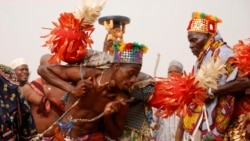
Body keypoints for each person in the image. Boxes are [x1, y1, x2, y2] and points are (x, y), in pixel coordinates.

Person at [37, 42, 148, 140]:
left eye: (136, 75)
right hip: (62, 137)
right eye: (131, 73)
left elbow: (116, 134)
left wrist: (107, 115)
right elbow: (43, 70)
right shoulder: (87, 75)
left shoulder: (120, 100)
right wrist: (73, 89)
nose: (134, 79)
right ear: (117, 67)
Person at [175, 11, 250, 140]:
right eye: (189, 41)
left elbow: (245, 81)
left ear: (209, 37)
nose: (190, 45)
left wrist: (212, 91)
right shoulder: (200, 63)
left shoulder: (225, 55)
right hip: (224, 127)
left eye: (194, 40)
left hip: (240, 124)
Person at [21, 54, 66, 139]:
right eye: (48, 68)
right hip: (34, 138)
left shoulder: (66, 89)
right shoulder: (28, 89)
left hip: (59, 138)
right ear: (39, 69)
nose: (52, 71)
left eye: (55, 67)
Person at [0, 64, 37, 140]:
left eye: (26, 70)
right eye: (22, 70)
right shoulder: (7, 72)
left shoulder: (6, 72)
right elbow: (25, 111)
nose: (25, 72)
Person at [153, 60, 184, 141]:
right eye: (170, 72)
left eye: (176, 72)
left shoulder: (187, 94)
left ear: (182, 74)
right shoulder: (160, 93)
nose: (172, 74)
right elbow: (153, 121)